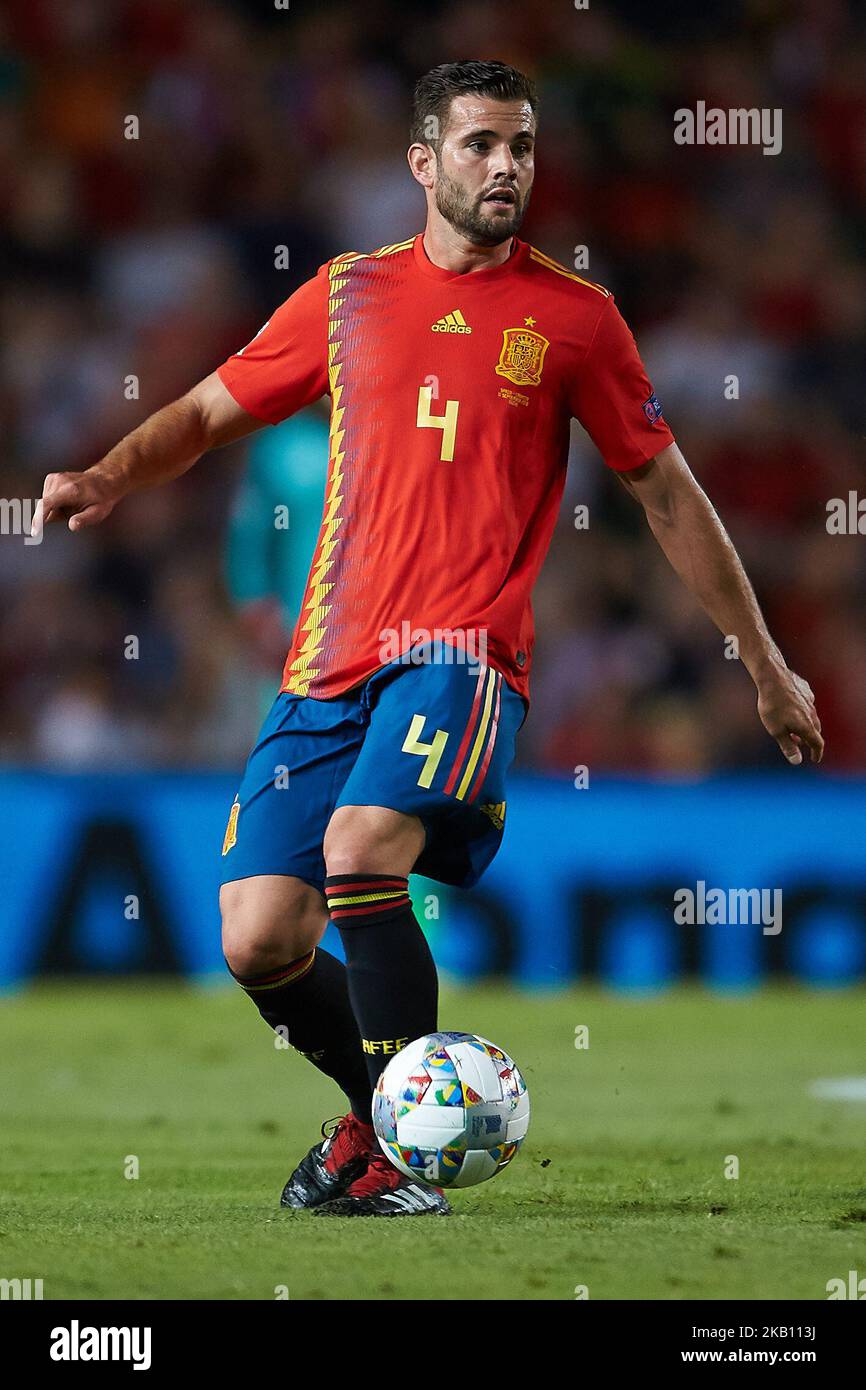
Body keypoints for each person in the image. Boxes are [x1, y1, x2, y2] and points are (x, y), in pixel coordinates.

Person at [34, 60, 823, 1218]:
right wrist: (108, 471)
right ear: (423, 163)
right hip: (324, 667)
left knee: (361, 852)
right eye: (479, 146)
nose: (505, 167)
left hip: (461, 654)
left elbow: (664, 494)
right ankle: (382, 1119)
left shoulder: (575, 318)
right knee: (258, 938)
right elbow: (208, 410)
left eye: (521, 148)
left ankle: (403, 1157)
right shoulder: (346, 297)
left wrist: (761, 661)